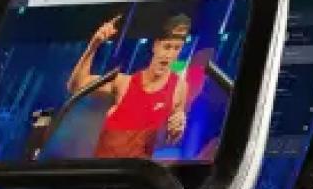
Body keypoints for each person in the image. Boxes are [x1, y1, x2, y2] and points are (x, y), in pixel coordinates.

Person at [56, 12, 207, 161]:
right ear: (155, 46)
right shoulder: (124, 82)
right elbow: (75, 86)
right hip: (103, 171)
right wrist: (94, 45)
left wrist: (177, 129)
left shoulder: (179, 88)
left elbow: (171, 138)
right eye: (167, 47)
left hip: (134, 176)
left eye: (176, 48)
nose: (169, 55)